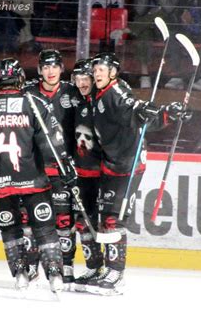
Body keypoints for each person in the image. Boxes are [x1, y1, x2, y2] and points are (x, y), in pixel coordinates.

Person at [0, 57, 76, 293]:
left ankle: (20, 273)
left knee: (10, 228)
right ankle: (55, 273)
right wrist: (65, 164)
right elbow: (50, 142)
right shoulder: (34, 103)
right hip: (33, 179)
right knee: (44, 227)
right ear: (20, 78)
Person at [85, 52, 192, 295]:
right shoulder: (99, 92)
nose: (97, 72)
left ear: (113, 72)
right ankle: (107, 269)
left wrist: (164, 113)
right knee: (105, 220)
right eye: (96, 69)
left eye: (102, 68)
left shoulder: (115, 92)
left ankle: (116, 273)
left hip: (128, 163)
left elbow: (135, 110)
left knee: (114, 219)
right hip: (112, 163)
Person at [23, 49, 79, 290]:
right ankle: (30, 265)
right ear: (39, 70)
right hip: (34, 168)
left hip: (63, 167)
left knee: (64, 220)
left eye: (54, 66)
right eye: (45, 66)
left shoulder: (71, 92)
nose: (50, 71)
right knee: (30, 220)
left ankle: (66, 266)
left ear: (61, 68)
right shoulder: (28, 93)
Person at [69, 58, 106, 291]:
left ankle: (110, 270)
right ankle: (94, 267)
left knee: (106, 223)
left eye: (86, 79)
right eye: (78, 79)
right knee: (84, 222)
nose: (82, 83)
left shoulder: (102, 102)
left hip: (102, 174)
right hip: (82, 174)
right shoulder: (78, 103)